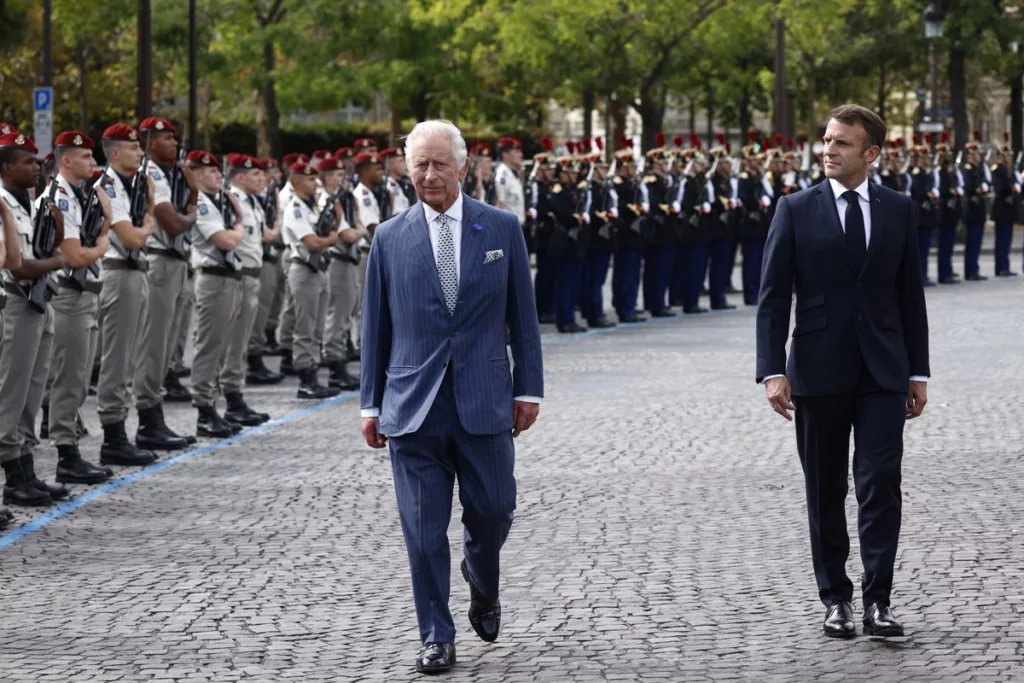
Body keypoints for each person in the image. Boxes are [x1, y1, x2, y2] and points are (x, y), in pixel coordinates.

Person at [360, 120, 543, 674]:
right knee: (421, 530)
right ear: (406, 166)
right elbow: (376, 328)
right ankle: (436, 634)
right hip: (413, 407)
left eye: (440, 164)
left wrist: (528, 388)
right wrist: (371, 405)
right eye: (420, 165)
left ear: (462, 167)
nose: (430, 175)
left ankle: (481, 577)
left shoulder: (502, 228)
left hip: (485, 399)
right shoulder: (389, 237)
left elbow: (523, 318)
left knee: (494, 510)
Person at [756, 104, 930, 640]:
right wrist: (771, 371)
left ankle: (879, 600)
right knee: (825, 491)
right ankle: (835, 598)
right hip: (816, 369)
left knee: (880, 484)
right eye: (827, 140)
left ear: (871, 153)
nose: (828, 150)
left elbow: (910, 296)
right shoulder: (794, 209)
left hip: (882, 371)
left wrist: (917, 372)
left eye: (842, 143)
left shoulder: (899, 208)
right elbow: (771, 298)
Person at [0, 132, 70, 506]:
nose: (36, 168)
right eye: (28, 161)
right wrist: (58, 260)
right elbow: (21, 266)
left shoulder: (28, 204)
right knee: (11, 392)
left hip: (39, 302)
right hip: (16, 302)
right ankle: (12, 471)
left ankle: (25, 464)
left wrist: (56, 233)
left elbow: (41, 249)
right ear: (8, 167)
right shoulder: (2, 204)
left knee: (33, 390)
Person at [45, 131, 113, 485]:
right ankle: (65, 455)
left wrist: (107, 214)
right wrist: (102, 246)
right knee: (69, 378)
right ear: (66, 160)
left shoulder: (80, 195)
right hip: (70, 293)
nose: (93, 162)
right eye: (85, 157)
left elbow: (92, 238)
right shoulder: (61, 198)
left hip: (86, 291)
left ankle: (69, 449)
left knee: (79, 377)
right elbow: (74, 255)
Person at [133, 117, 197, 451]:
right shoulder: (152, 172)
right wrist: (193, 208)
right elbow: (173, 222)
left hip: (175, 261)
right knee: (155, 343)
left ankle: (154, 415)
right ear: (151, 141)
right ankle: (147, 419)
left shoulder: (167, 172)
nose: (173, 143)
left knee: (167, 343)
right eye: (167, 138)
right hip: (160, 259)